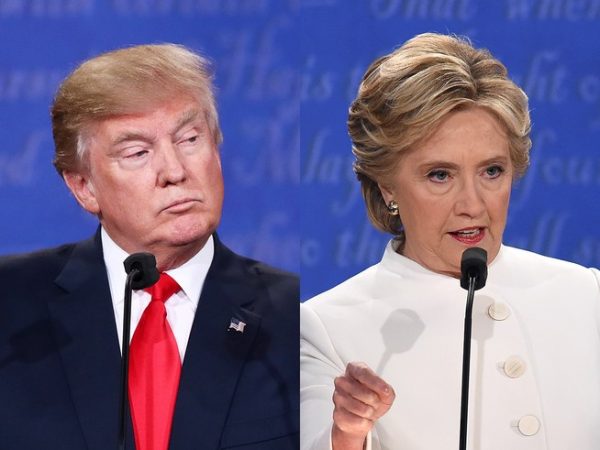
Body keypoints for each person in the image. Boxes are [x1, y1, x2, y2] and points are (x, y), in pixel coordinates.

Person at [300, 33, 600, 450]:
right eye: (440, 175)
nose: (472, 204)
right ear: (387, 185)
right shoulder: (326, 329)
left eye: (492, 171)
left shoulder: (586, 294)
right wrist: (347, 436)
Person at [0, 44, 299, 450]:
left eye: (190, 139)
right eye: (138, 153)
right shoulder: (11, 311)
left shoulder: (296, 316)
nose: (175, 172)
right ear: (84, 187)